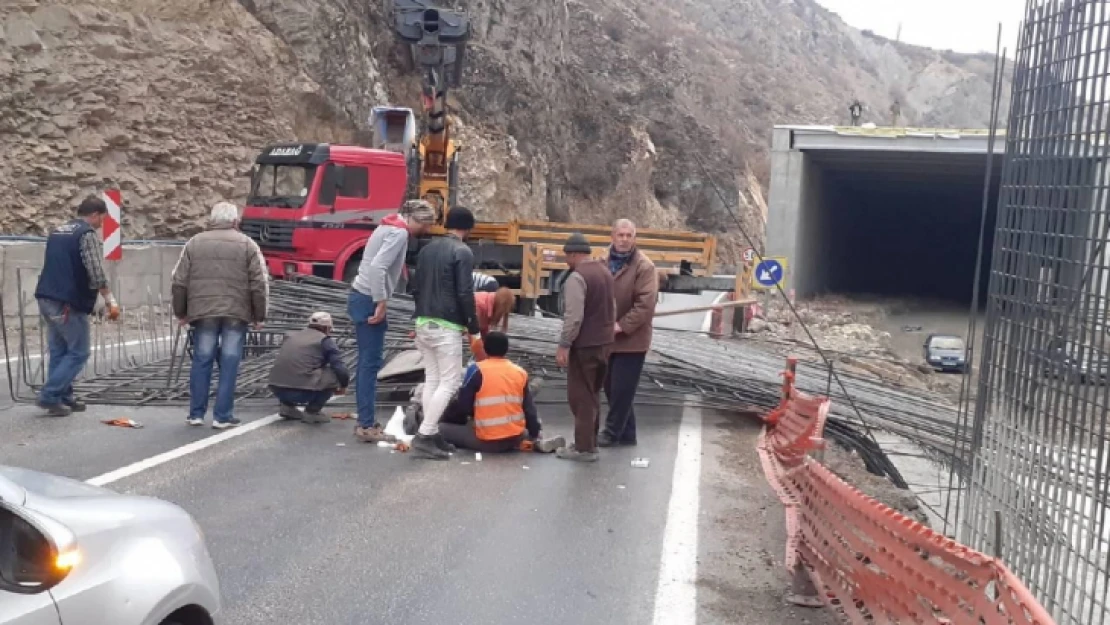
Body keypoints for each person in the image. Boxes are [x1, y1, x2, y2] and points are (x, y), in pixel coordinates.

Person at [172, 201, 269, 429]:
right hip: (237, 312)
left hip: (203, 312)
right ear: (235, 221)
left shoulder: (194, 243)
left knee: (202, 358)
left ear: (212, 220)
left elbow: (179, 281)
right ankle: (222, 416)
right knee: (230, 361)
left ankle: (196, 414)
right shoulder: (248, 245)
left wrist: (181, 312)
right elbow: (259, 284)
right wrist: (259, 315)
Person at [348, 199, 437, 443]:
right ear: (416, 219)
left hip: (360, 294)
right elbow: (378, 267)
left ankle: (365, 420)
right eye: (426, 225)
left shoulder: (386, 226)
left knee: (366, 361)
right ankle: (366, 424)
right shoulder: (399, 233)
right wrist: (381, 300)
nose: (426, 231)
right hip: (368, 297)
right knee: (370, 363)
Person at [33, 195, 121, 416]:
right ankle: (50, 395)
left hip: (46, 296)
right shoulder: (86, 234)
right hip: (67, 301)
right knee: (79, 352)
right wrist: (110, 299)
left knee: (59, 350)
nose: (101, 225)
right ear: (94, 215)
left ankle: (63, 396)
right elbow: (95, 271)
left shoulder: (58, 231)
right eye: (102, 219)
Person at [411, 206, 481, 460]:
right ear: (468, 227)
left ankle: (431, 431)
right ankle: (426, 435)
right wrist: (473, 326)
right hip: (446, 325)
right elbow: (464, 292)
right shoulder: (462, 251)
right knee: (450, 383)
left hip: (423, 321)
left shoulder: (427, 249)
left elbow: (415, 286)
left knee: (433, 379)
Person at [435, 332, 565, 453]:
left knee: (440, 428)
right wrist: (535, 432)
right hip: (515, 436)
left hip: (486, 441)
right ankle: (534, 440)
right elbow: (529, 409)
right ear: (506, 349)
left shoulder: (476, 370)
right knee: (524, 427)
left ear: (485, 349)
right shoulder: (520, 372)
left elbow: (463, 406)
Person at [554, 232, 615, 463]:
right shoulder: (605, 272)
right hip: (605, 342)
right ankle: (591, 443)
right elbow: (613, 306)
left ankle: (583, 448)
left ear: (574, 254)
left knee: (580, 396)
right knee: (592, 393)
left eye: (567, 256)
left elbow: (574, 317)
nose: (566, 261)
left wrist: (564, 344)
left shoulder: (576, 278)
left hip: (585, 344)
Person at [600, 219, 657, 447]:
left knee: (622, 388)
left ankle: (611, 433)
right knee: (610, 387)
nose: (624, 239)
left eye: (629, 235)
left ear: (634, 238)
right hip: (605, 338)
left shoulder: (645, 266)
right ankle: (628, 432)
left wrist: (622, 325)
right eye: (620, 235)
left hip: (632, 339)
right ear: (612, 236)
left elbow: (646, 303)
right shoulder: (601, 261)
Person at [268, 312, 350, 424]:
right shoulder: (325, 341)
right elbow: (339, 367)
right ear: (326, 328)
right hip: (302, 391)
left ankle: (287, 407)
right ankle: (312, 412)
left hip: (276, 387)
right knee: (334, 374)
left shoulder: (292, 336)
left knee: (289, 369)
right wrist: (344, 385)